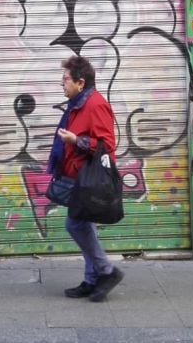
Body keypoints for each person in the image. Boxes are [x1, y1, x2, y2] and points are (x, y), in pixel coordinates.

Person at [47, 55, 124, 302]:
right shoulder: (77, 103)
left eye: (66, 79)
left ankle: (107, 271)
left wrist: (76, 141)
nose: (62, 83)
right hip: (76, 176)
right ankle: (92, 281)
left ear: (80, 83)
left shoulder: (95, 104)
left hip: (87, 179)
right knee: (85, 225)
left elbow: (107, 145)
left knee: (75, 224)